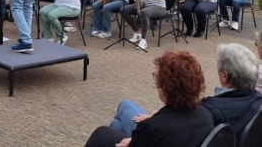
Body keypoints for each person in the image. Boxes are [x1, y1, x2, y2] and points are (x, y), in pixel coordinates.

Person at [105, 44, 262, 141]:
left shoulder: (212, 111)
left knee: (124, 106)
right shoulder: (257, 100)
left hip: (167, 136)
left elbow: (182, 126)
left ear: (224, 75)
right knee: (116, 126)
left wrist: (158, 119)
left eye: (218, 67)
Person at [85, 50, 213, 147]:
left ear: (164, 86)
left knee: (101, 134)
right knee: (116, 125)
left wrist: (132, 142)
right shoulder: (205, 115)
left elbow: (156, 132)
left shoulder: (152, 127)